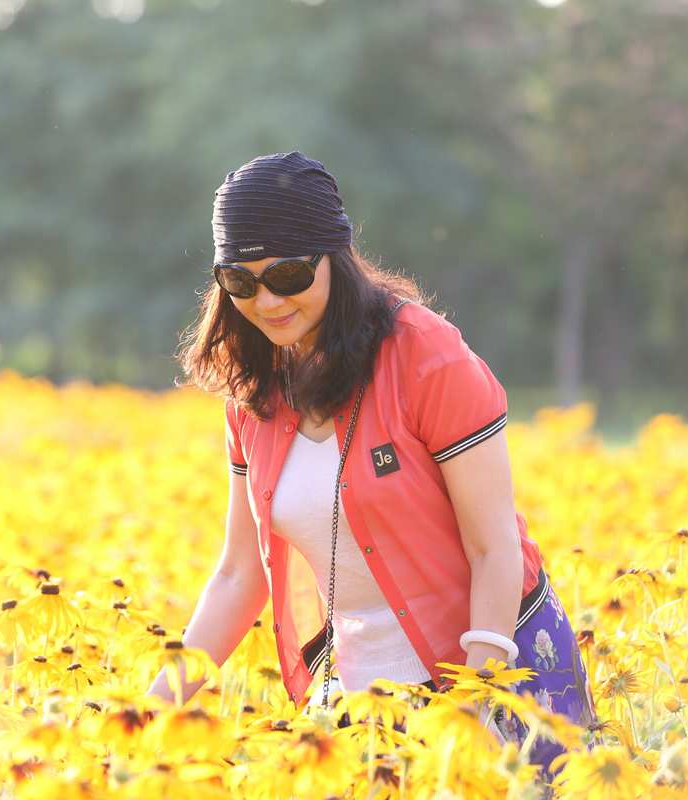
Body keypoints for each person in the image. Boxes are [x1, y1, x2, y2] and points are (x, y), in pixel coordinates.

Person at [145, 151, 597, 779]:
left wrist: (477, 704)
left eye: (289, 274)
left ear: (336, 256)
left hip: (494, 664)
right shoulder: (253, 391)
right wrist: (148, 715)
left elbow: (494, 548)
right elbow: (237, 576)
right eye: (241, 282)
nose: (267, 300)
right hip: (360, 698)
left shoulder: (425, 356)